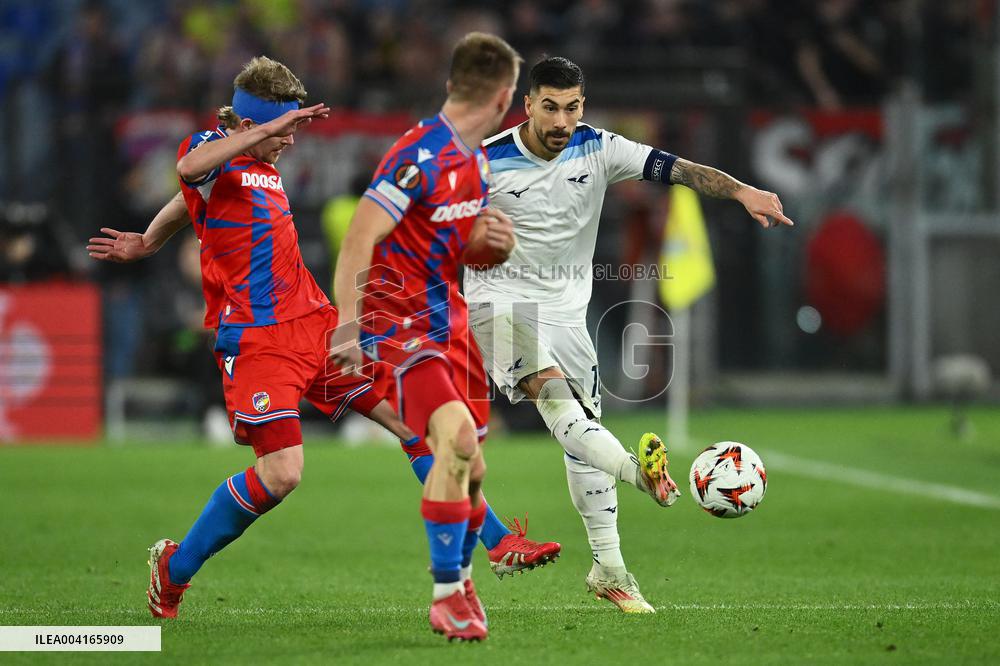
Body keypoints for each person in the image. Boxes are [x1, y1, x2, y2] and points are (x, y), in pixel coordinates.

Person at [88, 56, 418, 619]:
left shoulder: (256, 163)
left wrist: (150, 239)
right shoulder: (215, 145)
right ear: (250, 126)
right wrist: (262, 132)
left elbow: (188, 199)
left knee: (411, 418)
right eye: (284, 129)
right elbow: (191, 170)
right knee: (283, 474)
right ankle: (175, 567)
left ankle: (499, 543)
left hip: (310, 323)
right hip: (257, 335)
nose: (290, 141)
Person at [465, 56, 794, 613]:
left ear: (582, 106)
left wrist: (742, 192)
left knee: (583, 437)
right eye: (549, 107)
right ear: (527, 105)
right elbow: (435, 227)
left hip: (569, 314)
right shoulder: (486, 162)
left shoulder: (599, 147)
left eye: (571, 107)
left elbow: (682, 170)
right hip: (498, 304)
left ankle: (610, 569)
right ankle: (640, 475)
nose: (561, 120)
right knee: (557, 405)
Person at [330, 33, 531, 642]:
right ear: (506, 98)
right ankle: (446, 595)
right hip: (401, 324)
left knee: (471, 468)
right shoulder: (416, 156)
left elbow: (453, 249)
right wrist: (347, 325)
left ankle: (462, 577)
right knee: (458, 440)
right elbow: (358, 239)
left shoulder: (476, 164)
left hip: (453, 324)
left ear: (453, 84)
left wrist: (490, 247)